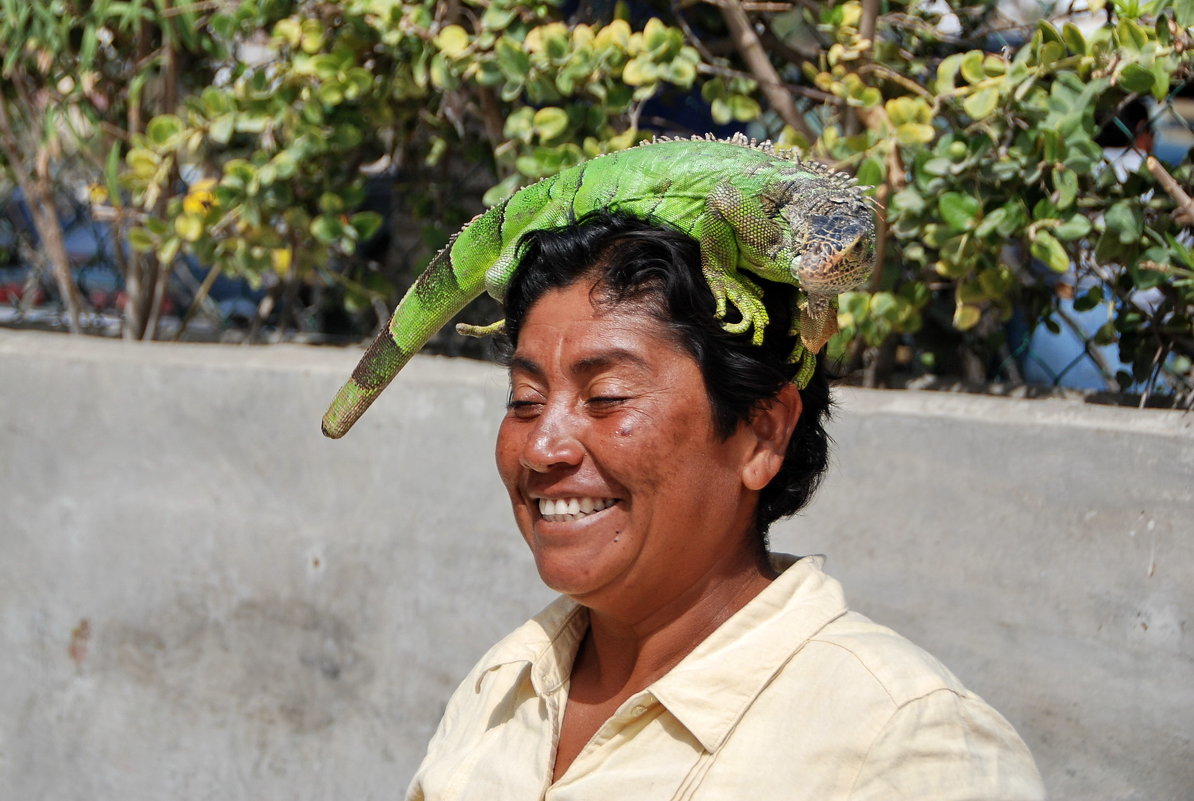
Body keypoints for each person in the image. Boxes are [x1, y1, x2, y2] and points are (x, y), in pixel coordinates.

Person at [406, 210, 1045, 800]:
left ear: (761, 433)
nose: (541, 447)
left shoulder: (901, 739)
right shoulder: (508, 683)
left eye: (607, 397)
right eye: (523, 400)